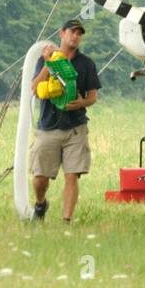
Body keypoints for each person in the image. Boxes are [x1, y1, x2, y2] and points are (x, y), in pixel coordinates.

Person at [29, 18, 100, 222]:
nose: (75, 36)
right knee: (40, 177)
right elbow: (34, 88)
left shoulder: (86, 63)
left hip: (75, 127)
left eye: (79, 33)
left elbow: (93, 96)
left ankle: (66, 220)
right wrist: (48, 63)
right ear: (62, 33)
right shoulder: (45, 59)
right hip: (48, 125)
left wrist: (81, 103)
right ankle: (41, 203)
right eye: (72, 32)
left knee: (72, 174)